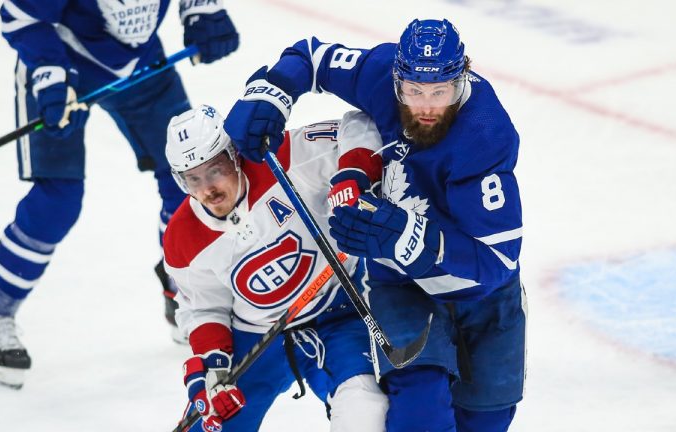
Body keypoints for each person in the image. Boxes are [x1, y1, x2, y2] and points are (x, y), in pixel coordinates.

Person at [222, 18, 526, 432]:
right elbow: (310, 56)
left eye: (441, 92)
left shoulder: (485, 135)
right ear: (397, 79)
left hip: (479, 297)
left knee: (484, 422)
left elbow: (497, 262)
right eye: (413, 91)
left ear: (462, 78)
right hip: (400, 286)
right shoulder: (380, 73)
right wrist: (271, 93)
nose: (427, 106)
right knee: (419, 414)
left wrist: (410, 238)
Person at [0, 0, 239, 389]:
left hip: (143, 63)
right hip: (65, 62)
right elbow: (21, 13)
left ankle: (187, 292)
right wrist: (50, 75)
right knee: (57, 201)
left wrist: (201, 10)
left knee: (187, 180)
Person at [163, 105, 388, 431]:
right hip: (254, 337)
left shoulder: (285, 157)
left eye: (214, 170)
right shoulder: (182, 237)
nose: (206, 190)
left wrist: (357, 175)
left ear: (234, 154)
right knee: (214, 421)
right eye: (192, 179)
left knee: (365, 411)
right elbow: (203, 307)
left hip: (335, 311)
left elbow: (358, 124)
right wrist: (212, 367)